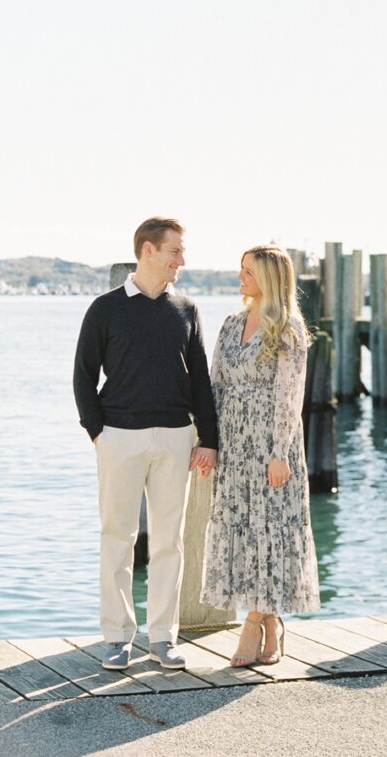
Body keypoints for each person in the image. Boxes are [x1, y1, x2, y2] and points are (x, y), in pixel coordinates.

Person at [73, 217, 219, 670]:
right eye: (175, 251)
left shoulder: (186, 309)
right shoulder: (105, 309)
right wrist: (98, 432)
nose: (182, 260)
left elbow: (201, 381)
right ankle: (117, 637)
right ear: (148, 251)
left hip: (176, 437)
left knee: (169, 542)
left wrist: (209, 438)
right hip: (119, 437)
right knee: (117, 537)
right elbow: (83, 375)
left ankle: (163, 638)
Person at [202, 245, 319, 666]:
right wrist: (209, 440)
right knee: (243, 528)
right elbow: (215, 384)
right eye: (240, 269)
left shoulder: (287, 327)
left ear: (268, 278)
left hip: (270, 444)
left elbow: (291, 395)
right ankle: (271, 623)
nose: (240, 277)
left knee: (269, 529)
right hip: (234, 444)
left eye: (248, 271)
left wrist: (279, 451)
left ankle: (254, 624)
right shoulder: (232, 323)